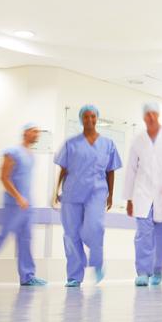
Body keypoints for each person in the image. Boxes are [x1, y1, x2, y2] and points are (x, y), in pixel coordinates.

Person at [0, 123, 48, 287]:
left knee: (25, 239)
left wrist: (26, 200)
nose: (37, 134)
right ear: (26, 133)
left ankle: (27, 276)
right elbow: (4, 177)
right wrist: (18, 197)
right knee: (1, 237)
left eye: (38, 132)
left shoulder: (31, 155)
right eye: (34, 131)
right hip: (13, 204)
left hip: (27, 206)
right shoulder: (11, 152)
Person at [54, 105, 122, 287]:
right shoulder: (71, 143)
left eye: (93, 116)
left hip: (97, 192)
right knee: (70, 234)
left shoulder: (108, 144)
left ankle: (97, 262)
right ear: (81, 119)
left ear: (97, 118)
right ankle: (74, 275)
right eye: (86, 117)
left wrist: (110, 195)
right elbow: (64, 168)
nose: (90, 120)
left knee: (95, 227)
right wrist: (56, 191)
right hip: (71, 193)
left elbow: (111, 171)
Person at [124, 102, 162, 286]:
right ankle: (142, 271)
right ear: (144, 117)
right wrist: (128, 199)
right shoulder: (138, 140)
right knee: (143, 234)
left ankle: (157, 268)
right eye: (147, 114)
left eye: (154, 114)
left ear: (158, 116)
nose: (150, 117)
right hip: (142, 195)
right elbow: (131, 170)